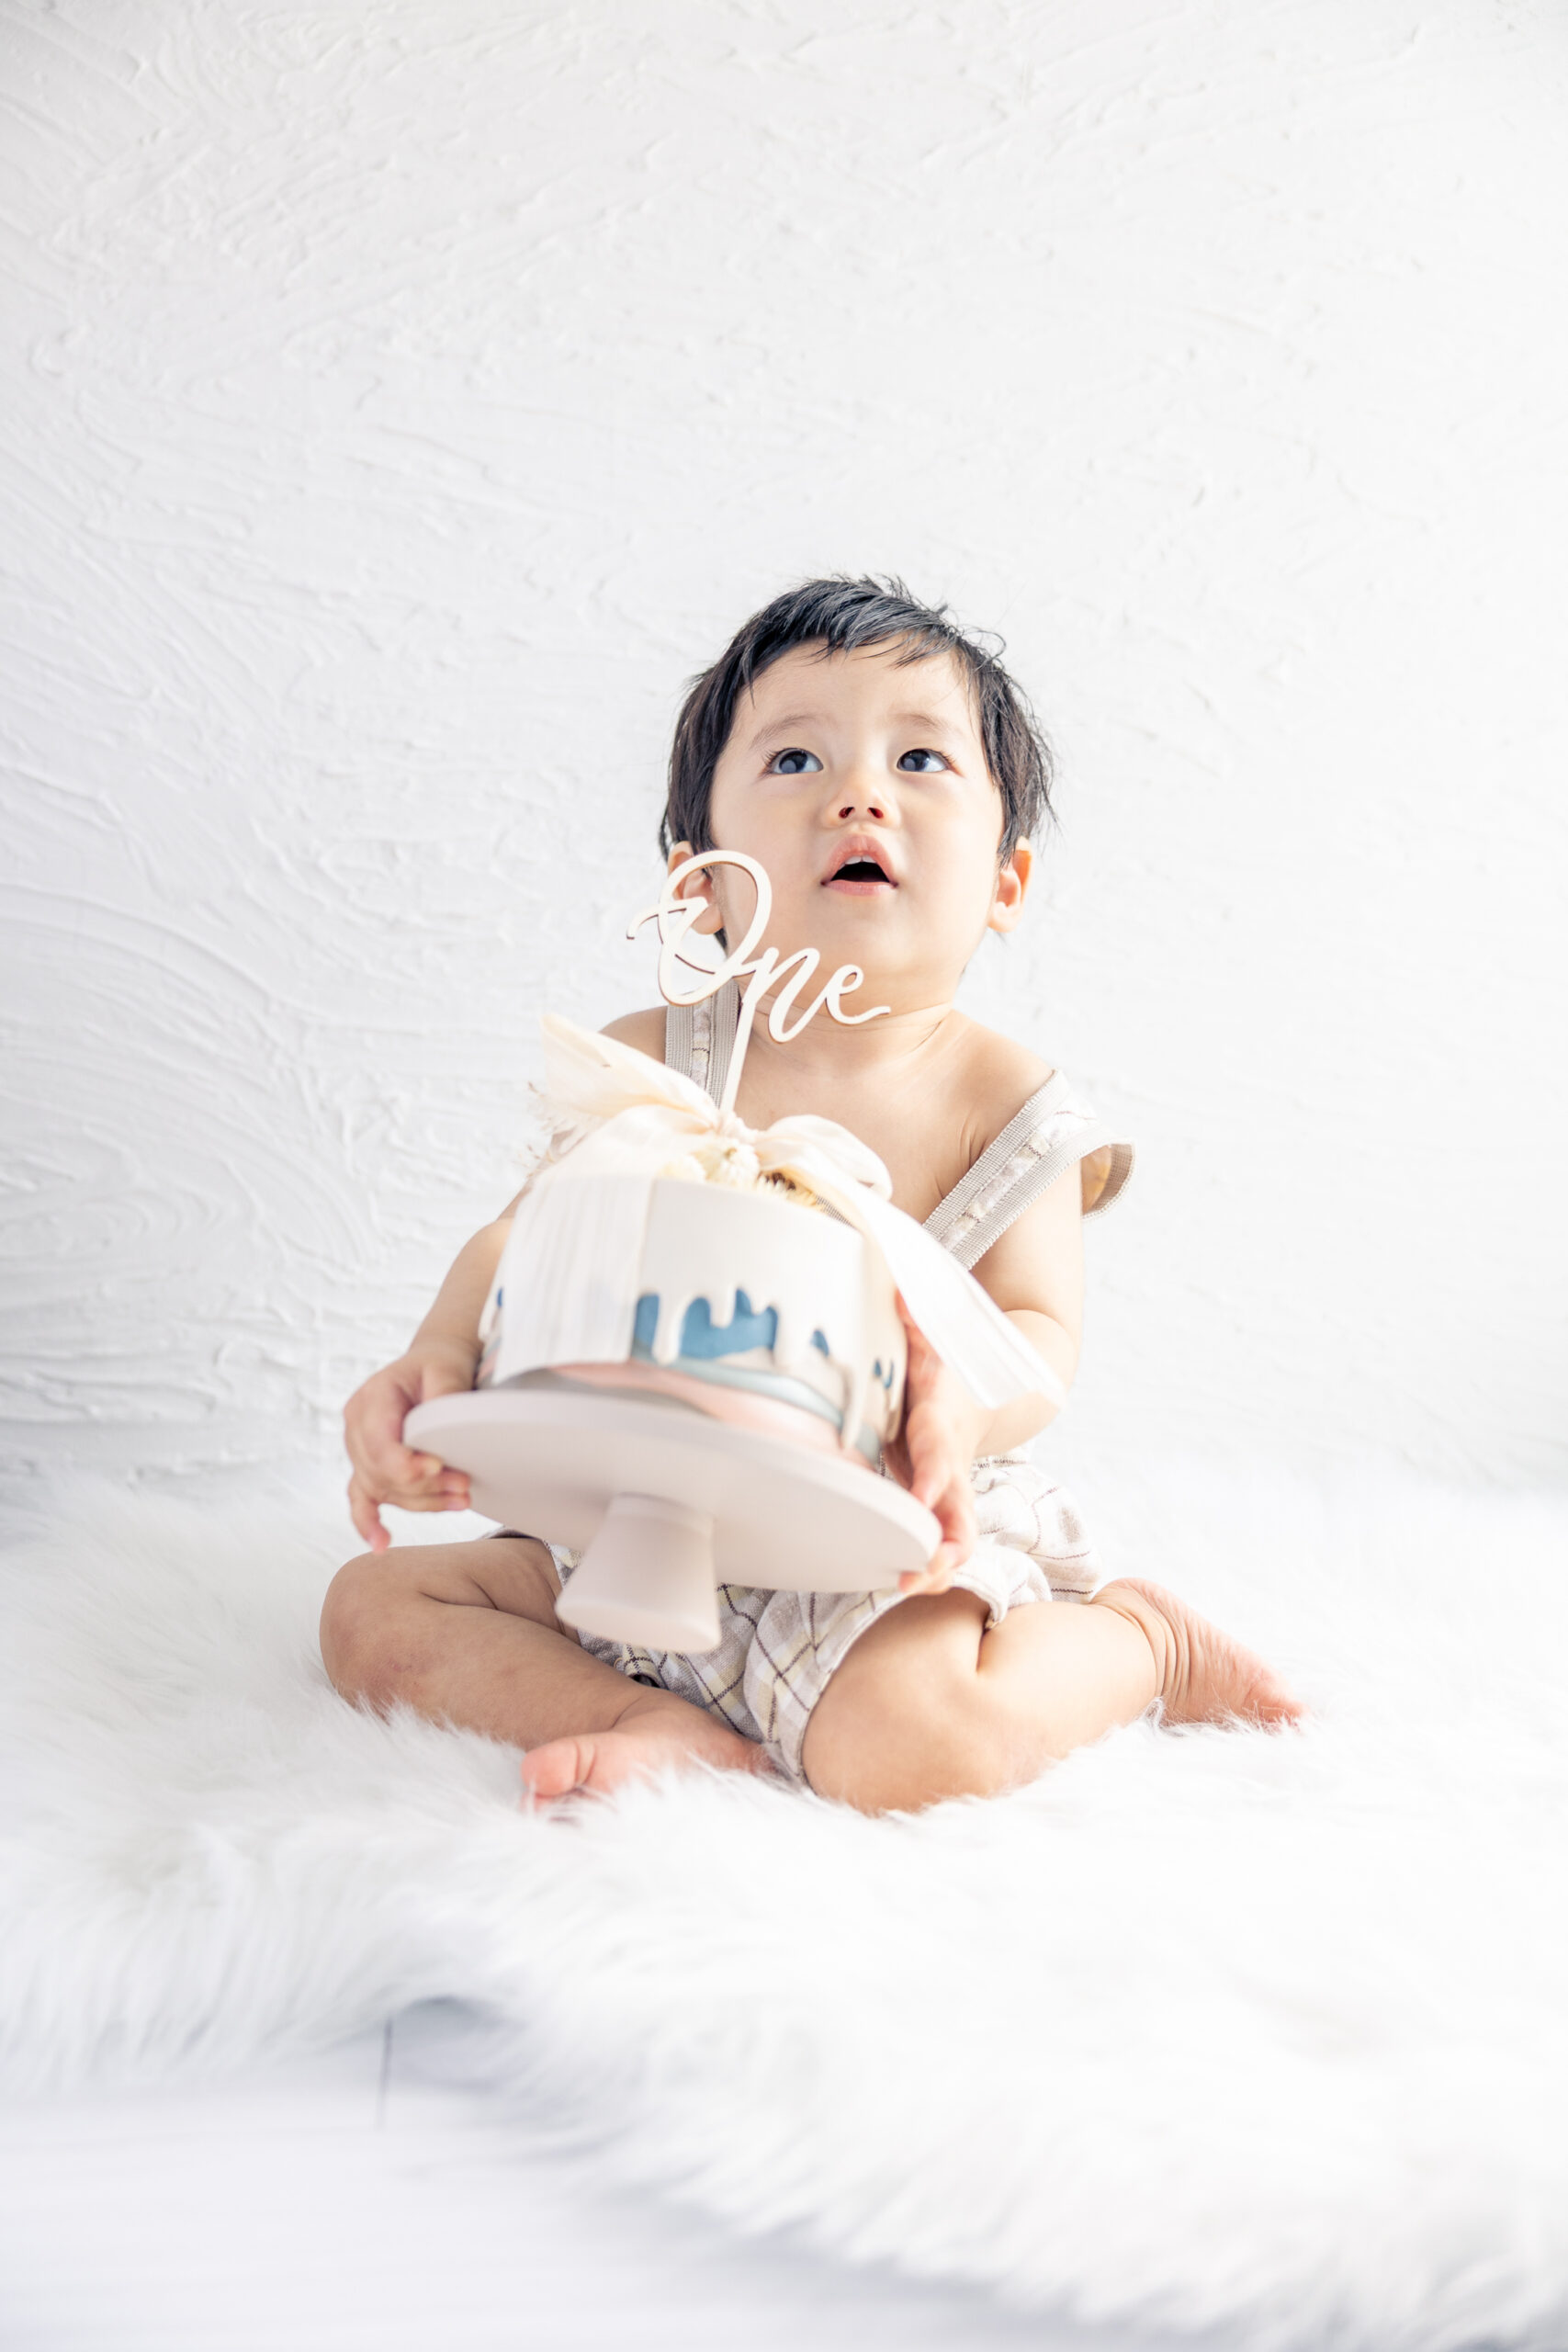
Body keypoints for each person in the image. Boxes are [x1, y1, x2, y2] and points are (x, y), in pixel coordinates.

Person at [321, 578, 1301, 1812]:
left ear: (1005, 882)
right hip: (628, 1502)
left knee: (912, 1745)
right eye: (795, 758)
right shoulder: (659, 1062)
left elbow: (1041, 1333)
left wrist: (949, 1419)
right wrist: (435, 1361)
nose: (860, 794)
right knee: (371, 1611)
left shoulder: (1007, 1102)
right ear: (698, 884)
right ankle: (645, 1718)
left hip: (872, 1528)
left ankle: (1140, 1642)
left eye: (920, 759)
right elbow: (528, 1241)